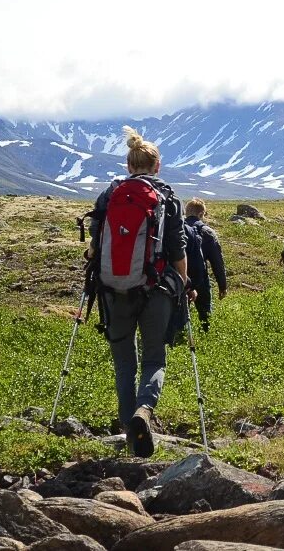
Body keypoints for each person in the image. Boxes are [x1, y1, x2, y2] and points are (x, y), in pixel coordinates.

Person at [87, 126, 188, 458]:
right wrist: (183, 285)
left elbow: (94, 245)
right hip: (155, 288)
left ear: (129, 166)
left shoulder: (109, 195)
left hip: (113, 288)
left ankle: (129, 432)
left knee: (123, 363)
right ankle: (143, 411)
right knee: (154, 357)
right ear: (156, 166)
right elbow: (177, 248)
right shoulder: (166, 198)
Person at [184, 198, 227, 331]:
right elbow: (217, 262)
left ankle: (179, 341)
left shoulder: (177, 230)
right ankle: (206, 335)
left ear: (186, 212)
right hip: (200, 278)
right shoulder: (207, 232)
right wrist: (222, 286)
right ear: (201, 214)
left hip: (180, 278)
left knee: (180, 314)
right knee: (205, 315)